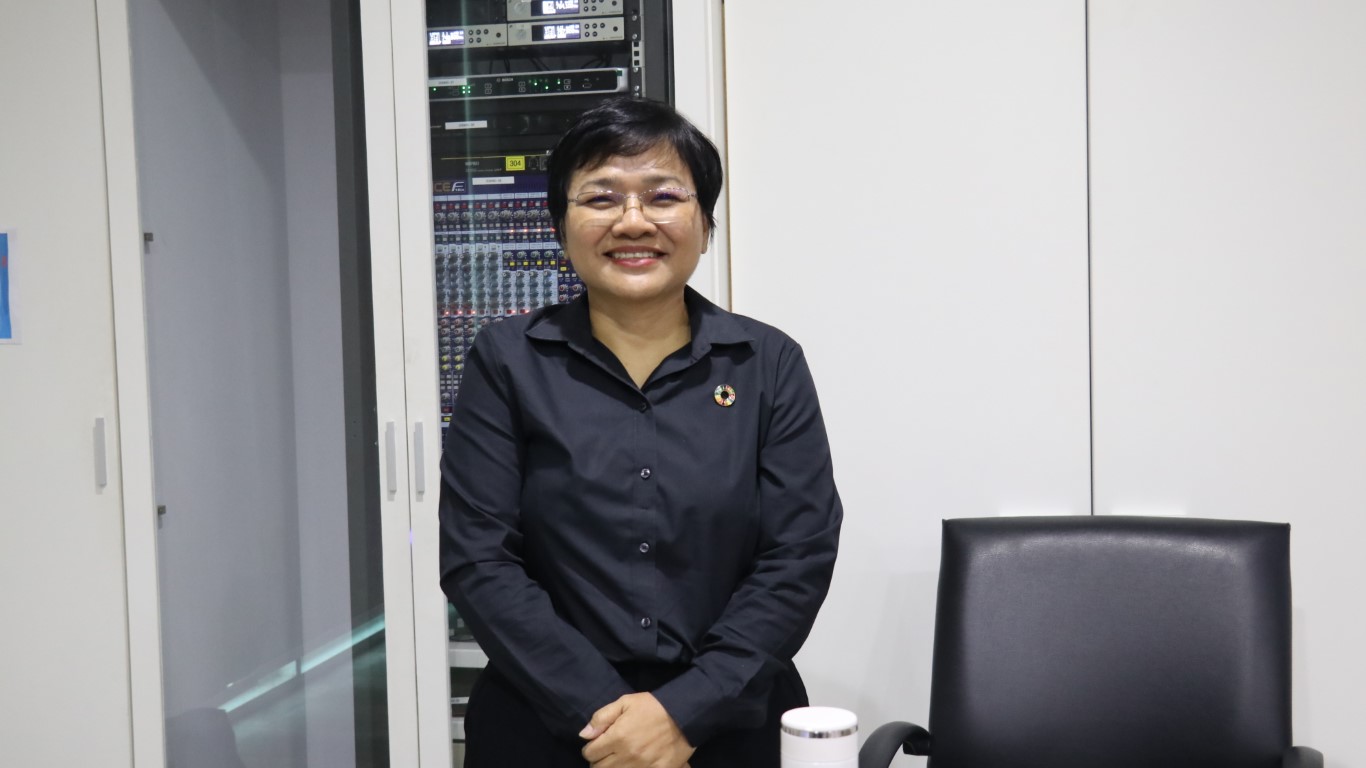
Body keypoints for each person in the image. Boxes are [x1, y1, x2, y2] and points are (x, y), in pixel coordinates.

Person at [439, 95, 842, 768]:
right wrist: (613, 721)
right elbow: (478, 559)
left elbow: (798, 556)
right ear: (561, 226)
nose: (633, 221)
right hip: (548, 725)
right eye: (601, 199)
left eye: (663, 197)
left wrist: (683, 712)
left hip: (728, 725)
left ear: (705, 225)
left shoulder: (767, 363)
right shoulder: (508, 361)